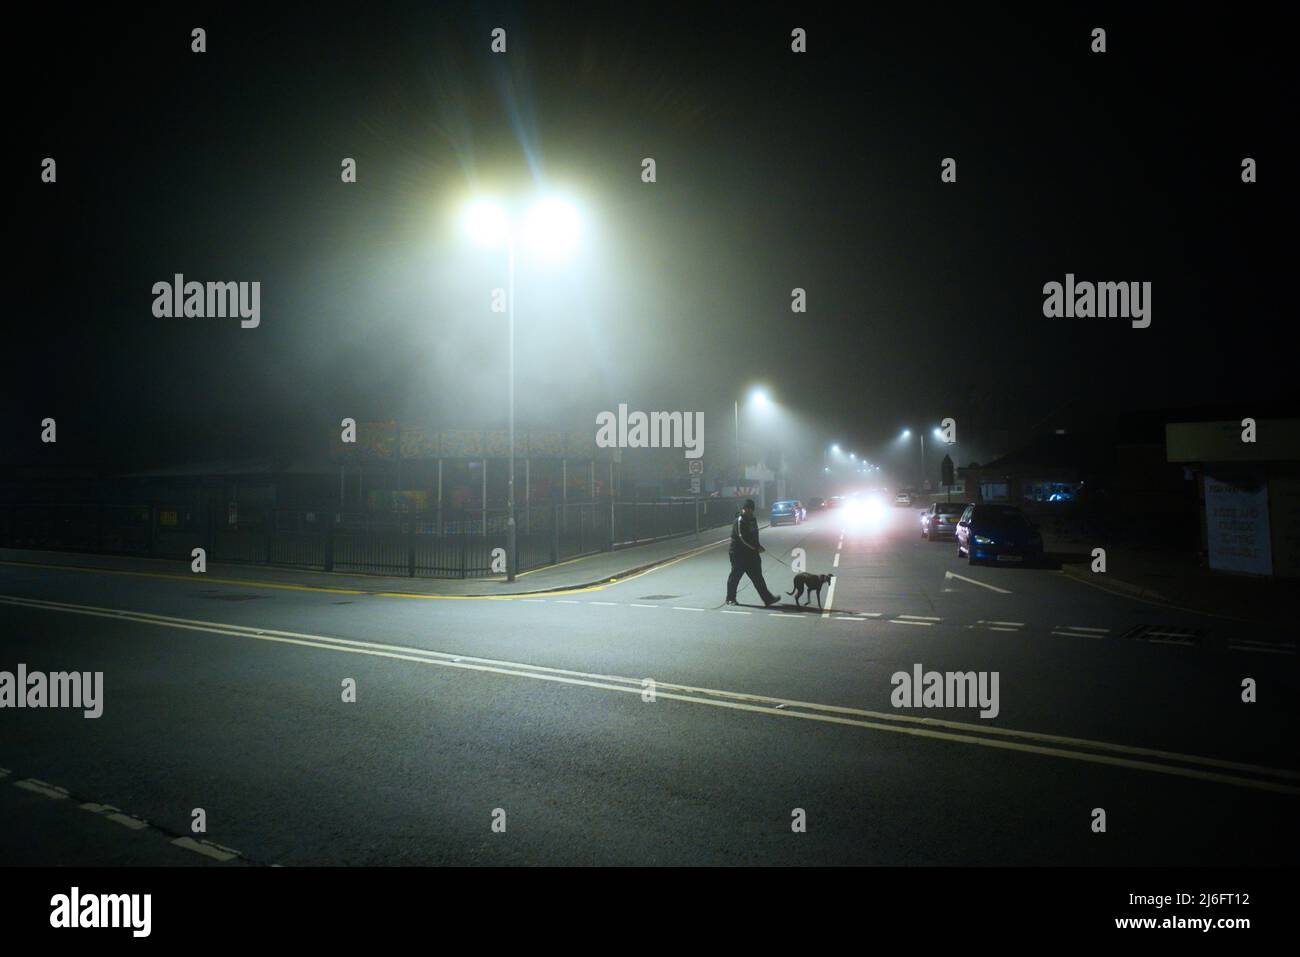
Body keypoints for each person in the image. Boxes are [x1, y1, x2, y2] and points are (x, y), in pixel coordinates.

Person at [725, 499, 780, 606]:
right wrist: (756, 548)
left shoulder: (752, 520)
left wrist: (757, 547)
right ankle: (730, 598)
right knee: (735, 577)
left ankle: (767, 599)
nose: (747, 511)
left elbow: (754, 535)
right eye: (745, 509)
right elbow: (743, 538)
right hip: (738, 554)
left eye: (750, 509)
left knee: (758, 577)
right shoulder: (740, 520)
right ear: (743, 509)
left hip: (751, 554)